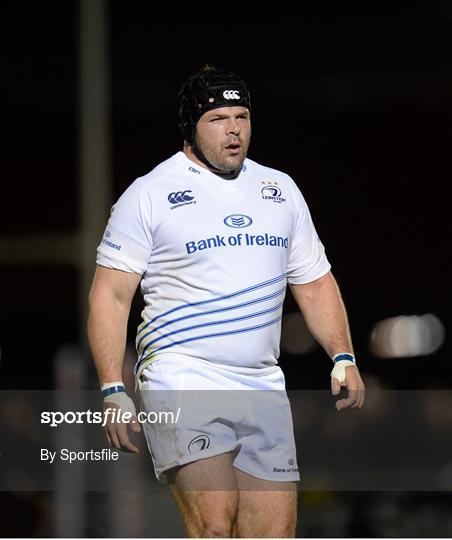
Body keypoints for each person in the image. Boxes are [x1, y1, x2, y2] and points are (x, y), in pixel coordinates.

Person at [88, 65, 365, 538]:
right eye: (218, 119)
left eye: (242, 116)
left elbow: (316, 283)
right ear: (191, 127)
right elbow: (111, 296)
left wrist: (343, 356)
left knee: (273, 534)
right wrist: (113, 388)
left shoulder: (279, 191)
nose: (234, 129)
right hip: (183, 377)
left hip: (262, 384)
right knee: (216, 527)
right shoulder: (149, 194)